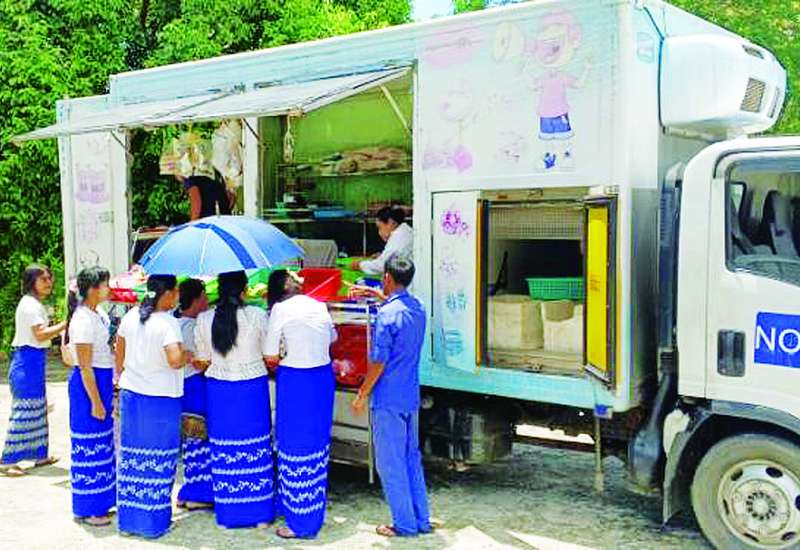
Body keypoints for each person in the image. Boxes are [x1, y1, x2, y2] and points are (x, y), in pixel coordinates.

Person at [351, 256, 432, 538]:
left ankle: (404, 525)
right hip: (409, 394)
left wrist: (362, 394)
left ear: (387, 277)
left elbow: (378, 362)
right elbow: (399, 309)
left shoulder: (386, 316)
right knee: (411, 458)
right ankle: (421, 519)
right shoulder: (418, 308)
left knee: (390, 463)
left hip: (387, 398)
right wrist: (380, 296)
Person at [194, 271, 274, 529]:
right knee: (255, 448)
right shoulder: (257, 315)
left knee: (224, 449)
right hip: (252, 389)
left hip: (220, 391)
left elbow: (203, 359)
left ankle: (228, 515)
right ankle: (259, 514)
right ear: (244, 290)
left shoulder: (204, 319)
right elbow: (270, 353)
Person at [265, 269, 337, 540]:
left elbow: (270, 354)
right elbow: (332, 338)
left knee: (293, 445)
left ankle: (300, 522)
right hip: (322, 378)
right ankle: (310, 512)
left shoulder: (280, 310)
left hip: (296, 380)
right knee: (316, 445)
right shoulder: (318, 305)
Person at [116, 275, 185, 538]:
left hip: (132, 395)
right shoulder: (167, 322)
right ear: (166, 294)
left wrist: (121, 376)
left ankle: (130, 521)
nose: (177, 296)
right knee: (159, 458)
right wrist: (188, 354)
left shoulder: (130, 316)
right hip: (160, 399)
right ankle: (153, 523)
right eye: (176, 291)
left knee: (133, 457)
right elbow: (175, 360)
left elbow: (119, 352)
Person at [0, 265, 65, 477]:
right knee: (25, 411)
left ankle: (39, 455)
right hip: (26, 363)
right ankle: (7, 461)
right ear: (32, 282)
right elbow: (40, 335)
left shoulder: (34, 303)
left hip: (34, 362)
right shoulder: (29, 305)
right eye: (43, 279)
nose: (49, 282)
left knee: (38, 409)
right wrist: (66, 324)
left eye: (49, 278)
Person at [66, 266, 117, 526]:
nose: (109, 288)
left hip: (103, 380)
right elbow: (85, 366)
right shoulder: (82, 319)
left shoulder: (99, 314)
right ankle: (89, 507)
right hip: (89, 386)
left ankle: (103, 501)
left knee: (103, 443)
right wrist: (96, 401)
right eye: (105, 284)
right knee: (89, 444)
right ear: (93, 289)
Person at [174, 278, 213, 510]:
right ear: (197, 299)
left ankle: (190, 490)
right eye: (205, 296)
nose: (207, 301)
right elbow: (200, 361)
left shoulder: (175, 324)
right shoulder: (192, 327)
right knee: (201, 437)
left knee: (191, 440)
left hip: (182, 386)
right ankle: (199, 493)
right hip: (196, 385)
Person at [351, 206, 413, 276]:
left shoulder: (399, 236)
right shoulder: (404, 232)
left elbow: (383, 265)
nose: (379, 232)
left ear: (390, 223)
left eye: (380, 227)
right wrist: (382, 256)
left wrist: (360, 265)